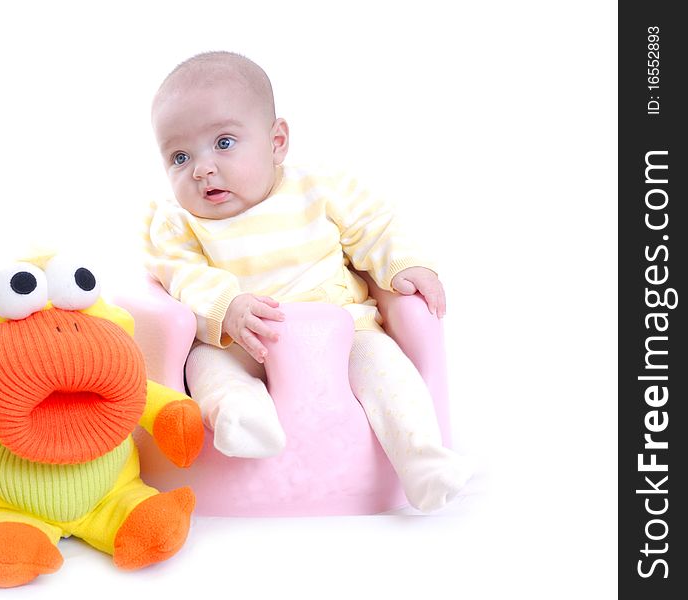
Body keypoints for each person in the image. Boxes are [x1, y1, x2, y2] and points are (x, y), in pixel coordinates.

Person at [144, 51, 473, 512]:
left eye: (223, 143)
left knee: (389, 373)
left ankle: (422, 460)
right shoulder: (178, 223)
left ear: (276, 141)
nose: (201, 168)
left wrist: (403, 266)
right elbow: (178, 273)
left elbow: (374, 227)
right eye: (180, 156)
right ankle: (242, 420)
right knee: (208, 372)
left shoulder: (320, 188)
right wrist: (227, 306)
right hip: (238, 342)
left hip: (344, 332)